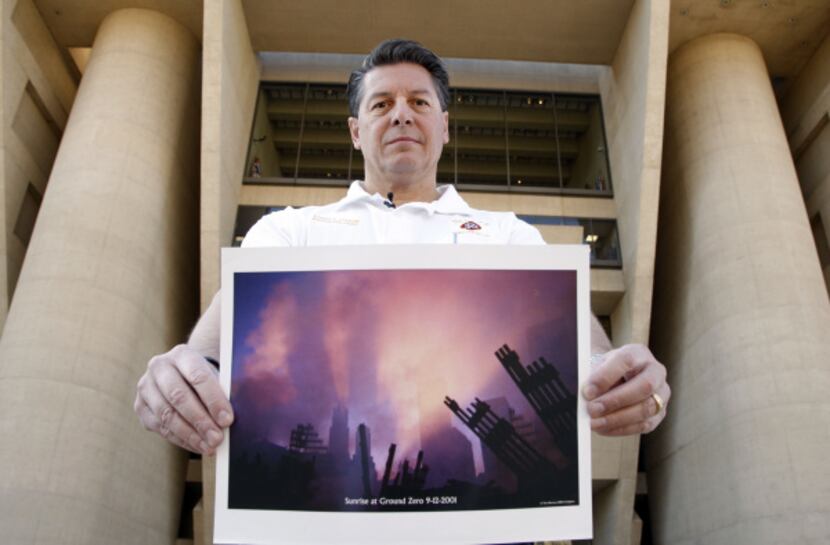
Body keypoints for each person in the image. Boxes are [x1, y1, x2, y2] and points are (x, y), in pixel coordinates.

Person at [134, 39, 670, 458]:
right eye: (381, 103)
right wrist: (175, 378)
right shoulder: (286, 233)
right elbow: (208, 352)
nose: (401, 114)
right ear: (354, 130)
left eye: (419, 102)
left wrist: (628, 380)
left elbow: (590, 356)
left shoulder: (512, 236)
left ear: (444, 127)